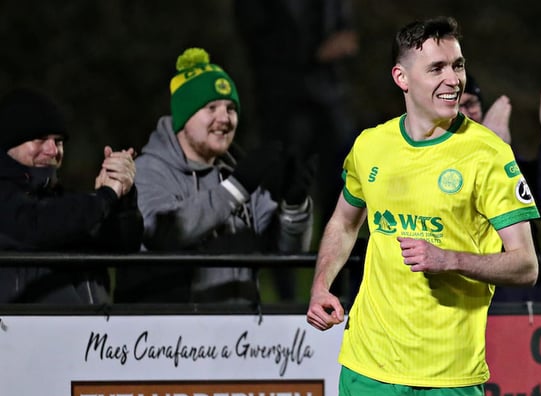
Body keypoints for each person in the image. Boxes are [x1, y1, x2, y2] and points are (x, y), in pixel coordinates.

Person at [306, 17, 539, 396]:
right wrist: (321, 285)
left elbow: (525, 265)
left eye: (457, 66)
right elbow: (344, 221)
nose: (452, 79)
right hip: (368, 368)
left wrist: (450, 258)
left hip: (448, 377)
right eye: (436, 68)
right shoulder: (371, 146)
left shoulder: (487, 154)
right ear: (402, 78)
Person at [114, 48, 314, 304]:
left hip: (241, 335)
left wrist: (294, 207)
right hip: (171, 337)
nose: (225, 118)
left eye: (231, 108)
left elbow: (288, 255)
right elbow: (163, 232)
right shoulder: (148, 171)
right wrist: (235, 189)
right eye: (211, 108)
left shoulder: (237, 173)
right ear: (184, 117)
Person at [233, 0, 359, 301]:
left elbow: (347, 34)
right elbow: (258, 38)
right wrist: (315, 53)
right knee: (283, 193)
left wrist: (341, 43)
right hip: (282, 102)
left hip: (329, 98)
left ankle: (334, 287)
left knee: (346, 187)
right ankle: (285, 293)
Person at [0, 87, 142, 304]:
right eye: (40, 139)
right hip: (23, 335)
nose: (53, 150)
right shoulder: (11, 201)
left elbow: (122, 245)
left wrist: (123, 197)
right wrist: (105, 197)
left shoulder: (66, 201)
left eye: (58, 141)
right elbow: (41, 224)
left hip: (91, 333)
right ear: (10, 144)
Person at [460, 73, 541, 302]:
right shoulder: (422, 163)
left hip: (515, 313)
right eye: (457, 106)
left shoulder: (509, 163)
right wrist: (489, 157)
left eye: (470, 104)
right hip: (460, 306)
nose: (466, 114)